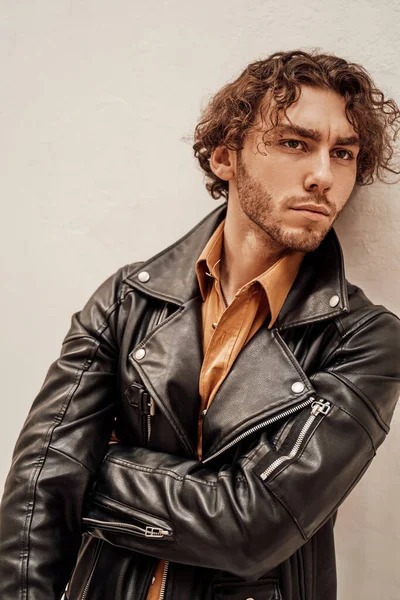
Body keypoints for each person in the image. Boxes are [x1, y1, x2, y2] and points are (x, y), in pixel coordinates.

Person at [1, 49, 399, 600]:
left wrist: (86, 462)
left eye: (345, 153)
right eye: (295, 143)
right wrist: (54, 475)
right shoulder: (127, 299)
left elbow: (252, 528)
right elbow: (33, 509)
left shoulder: (366, 339)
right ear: (225, 157)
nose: (323, 176)